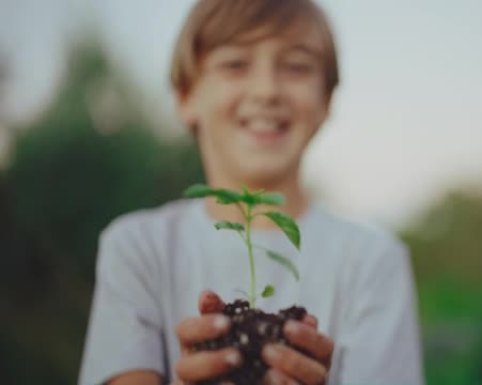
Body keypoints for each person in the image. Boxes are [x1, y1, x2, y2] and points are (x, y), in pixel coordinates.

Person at [78, 0, 424, 384]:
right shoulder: (138, 248)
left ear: (326, 101)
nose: (267, 90)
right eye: (235, 65)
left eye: (296, 67)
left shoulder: (373, 261)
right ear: (186, 96)